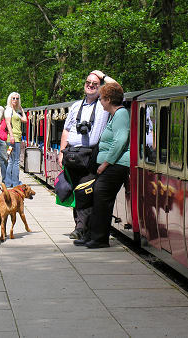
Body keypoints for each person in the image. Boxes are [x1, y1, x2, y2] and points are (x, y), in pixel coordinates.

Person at [58, 70, 117, 240]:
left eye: (95, 83)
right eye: (88, 82)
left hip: (92, 155)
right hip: (72, 155)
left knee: (86, 192)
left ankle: (82, 228)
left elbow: (118, 89)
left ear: (101, 87)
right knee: (77, 192)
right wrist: (61, 153)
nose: (90, 85)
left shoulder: (104, 105)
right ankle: (82, 227)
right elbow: (66, 130)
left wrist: (103, 75)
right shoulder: (76, 106)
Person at [74, 82, 130, 248]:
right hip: (110, 165)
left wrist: (105, 164)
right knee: (95, 199)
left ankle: (99, 238)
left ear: (108, 99)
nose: (100, 102)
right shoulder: (115, 115)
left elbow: (120, 141)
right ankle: (91, 234)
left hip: (116, 165)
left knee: (102, 201)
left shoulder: (121, 115)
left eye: (101, 99)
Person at [4, 92, 27, 187]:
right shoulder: (9, 110)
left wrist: (22, 109)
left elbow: (25, 120)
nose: (15, 100)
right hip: (14, 138)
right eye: (13, 98)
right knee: (16, 161)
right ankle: (15, 182)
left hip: (14, 138)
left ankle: (9, 182)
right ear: (10, 99)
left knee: (11, 161)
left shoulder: (16, 111)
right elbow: (8, 123)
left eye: (17, 98)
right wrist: (12, 136)